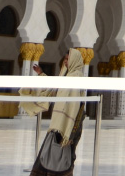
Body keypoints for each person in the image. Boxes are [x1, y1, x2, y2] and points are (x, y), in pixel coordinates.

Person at [20, 48, 86, 176]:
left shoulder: (76, 77)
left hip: (67, 127)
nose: (65, 62)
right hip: (57, 125)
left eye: (68, 59)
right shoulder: (66, 75)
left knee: (61, 159)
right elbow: (53, 89)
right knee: (49, 156)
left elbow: (74, 106)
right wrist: (41, 74)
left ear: (74, 60)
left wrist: (68, 132)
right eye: (65, 59)